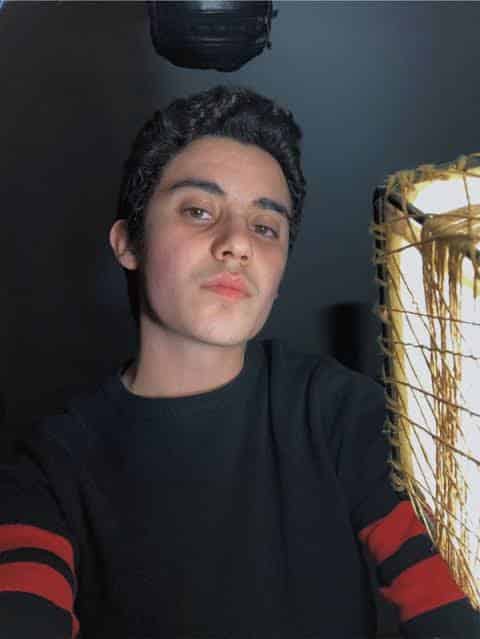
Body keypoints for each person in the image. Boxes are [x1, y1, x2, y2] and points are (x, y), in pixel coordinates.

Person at [0, 85, 478, 639]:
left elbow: (451, 606)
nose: (237, 244)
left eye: (265, 227)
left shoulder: (346, 416)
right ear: (129, 242)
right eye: (198, 211)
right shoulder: (48, 469)